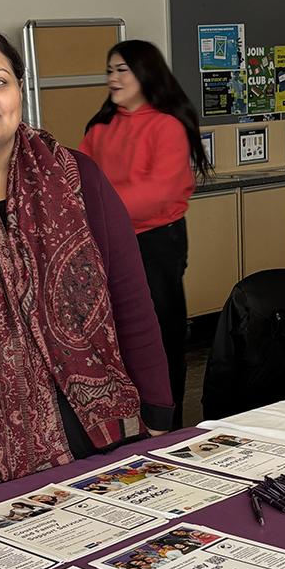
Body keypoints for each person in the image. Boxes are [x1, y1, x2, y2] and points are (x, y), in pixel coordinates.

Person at [0, 22, 172, 493]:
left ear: (18, 92)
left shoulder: (76, 177)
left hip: (103, 431)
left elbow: (130, 300)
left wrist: (158, 413)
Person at [80, 41, 210, 419]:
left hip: (155, 242)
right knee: (113, 335)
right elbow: (78, 179)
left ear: (145, 73)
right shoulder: (101, 127)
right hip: (107, 242)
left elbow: (160, 191)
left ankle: (166, 420)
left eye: (123, 69)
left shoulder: (166, 126)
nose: (113, 78)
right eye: (110, 69)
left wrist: (99, 210)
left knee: (159, 337)